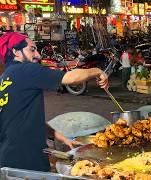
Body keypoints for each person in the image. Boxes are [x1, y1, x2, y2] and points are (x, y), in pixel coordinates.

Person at [0, 32, 109, 171]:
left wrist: (62, 138)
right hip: (26, 161)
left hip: (8, 158)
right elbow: (71, 77)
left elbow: (22, 118)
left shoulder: (5, 77)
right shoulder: (26, 70)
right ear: (16, 52)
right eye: (32, 49)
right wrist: (98, 71)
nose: (38, 55)